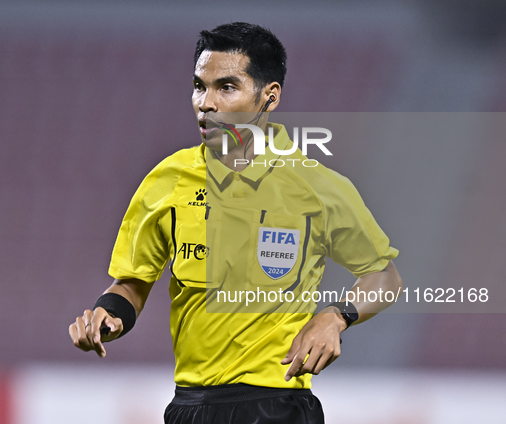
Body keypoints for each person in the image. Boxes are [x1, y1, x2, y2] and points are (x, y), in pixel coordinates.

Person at [69, 22, 403, 424]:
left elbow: (384, 278)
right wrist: (108, 315)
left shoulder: (317, 187)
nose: (205, 103)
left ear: (269, 97)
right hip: (188, 407)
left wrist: (335, 316)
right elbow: (133, 282)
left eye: (226, 88)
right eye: (199, 86)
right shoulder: (167, 180)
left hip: (276, 405)